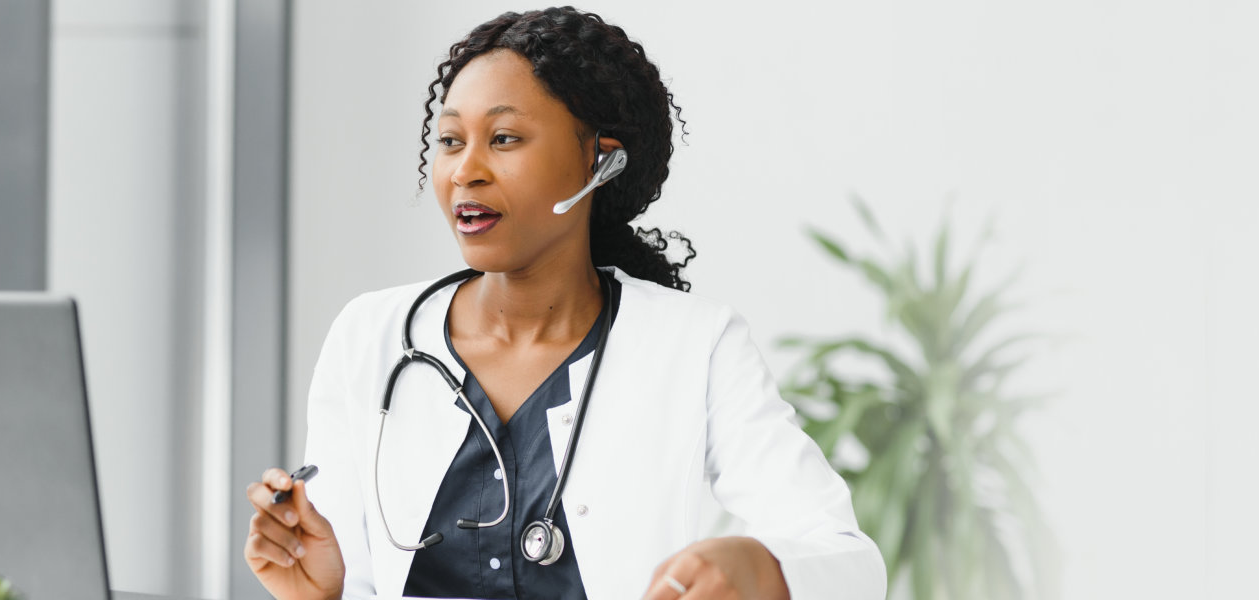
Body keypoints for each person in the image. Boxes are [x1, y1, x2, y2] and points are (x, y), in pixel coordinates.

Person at [244, 7, 885, 599]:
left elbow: (849, 561)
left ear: (597, 162)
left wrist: (764, 570)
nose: (465, 169)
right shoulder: (371, 336)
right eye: (449, 141)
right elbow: (353, 578)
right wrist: (320, 595)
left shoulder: (696, 346)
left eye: (503, 139)